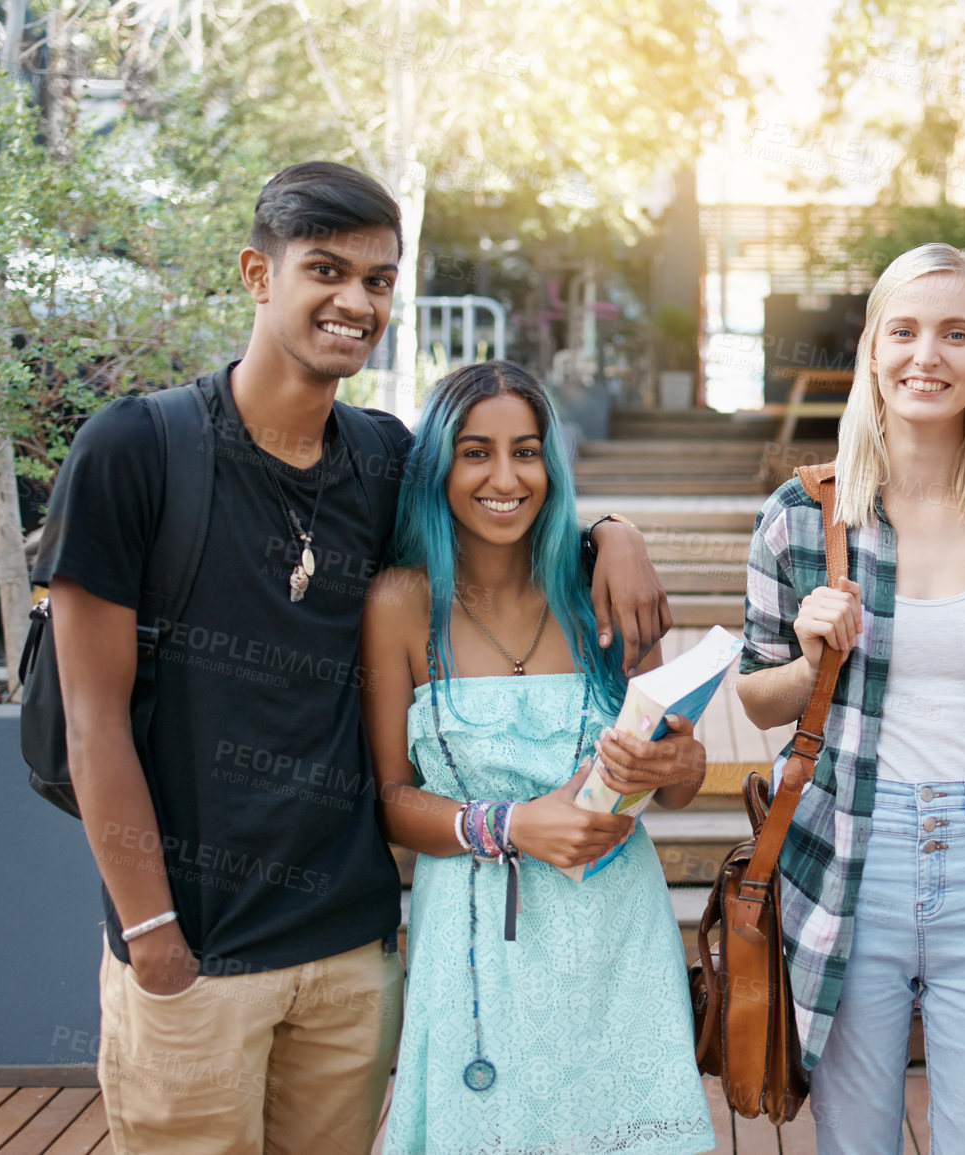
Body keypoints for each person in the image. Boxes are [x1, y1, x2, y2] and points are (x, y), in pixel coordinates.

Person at [35, 162, 667, 1155]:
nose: (356, 302)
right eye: (326, 270)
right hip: (195, 950)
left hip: (350, 953)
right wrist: (153, 938)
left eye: (378, 279)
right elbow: (91, 719)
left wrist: (615, 533)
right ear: (257, 272)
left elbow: (502, 512)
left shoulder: (382, 460)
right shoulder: (137, 448)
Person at [736, 243, 965, 1153]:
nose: (925, 356)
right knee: (853, 1140)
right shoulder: (802, 515)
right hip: (848, 849)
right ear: (870, 351)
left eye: (955, 333)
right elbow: (754, 696)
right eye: (902, 331)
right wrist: (813, 648)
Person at [360, 361, 716, 1154]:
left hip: (617, 941)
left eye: (526, 451)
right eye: (475, 451)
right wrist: (510, 824)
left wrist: (672, 768)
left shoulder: (599, 586)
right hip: (477, 952)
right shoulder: (399, 603)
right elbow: (386, 799)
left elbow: (685, 777)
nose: (504, 476)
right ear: (437, 466)